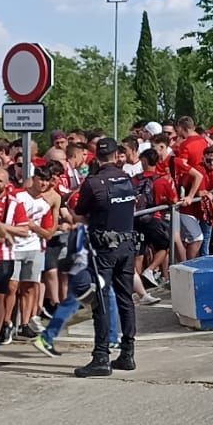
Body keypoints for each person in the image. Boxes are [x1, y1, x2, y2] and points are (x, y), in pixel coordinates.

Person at [71, 136, 140, 377]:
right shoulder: (127, 179)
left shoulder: (93, 183)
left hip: (104, 249)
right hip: (127, 244)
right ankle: (128, 353)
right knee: (125, 299)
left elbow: (79, 213)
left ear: (97, 157)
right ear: (115, 155)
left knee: (100, 299)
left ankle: (101, 356)